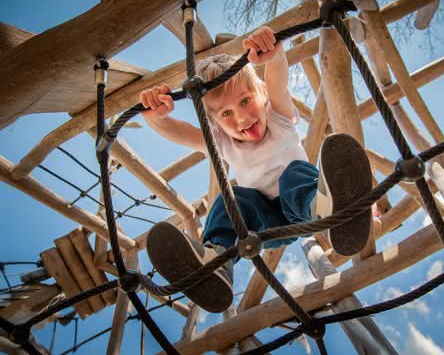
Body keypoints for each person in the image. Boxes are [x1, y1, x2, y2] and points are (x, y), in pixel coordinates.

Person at [140, 26, 372, 313]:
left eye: (245, 101)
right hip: (264, 225)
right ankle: (217, 262)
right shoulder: (223, 142)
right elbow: (185, 133)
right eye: (226, 113)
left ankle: (330, 209)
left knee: (295, 174)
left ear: (261, 95)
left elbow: (277, 83)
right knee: (235, 199)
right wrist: (158, 120)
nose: (242, 117)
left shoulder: (279, 118)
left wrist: (273, 57)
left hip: (302, 210)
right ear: (215, 124)